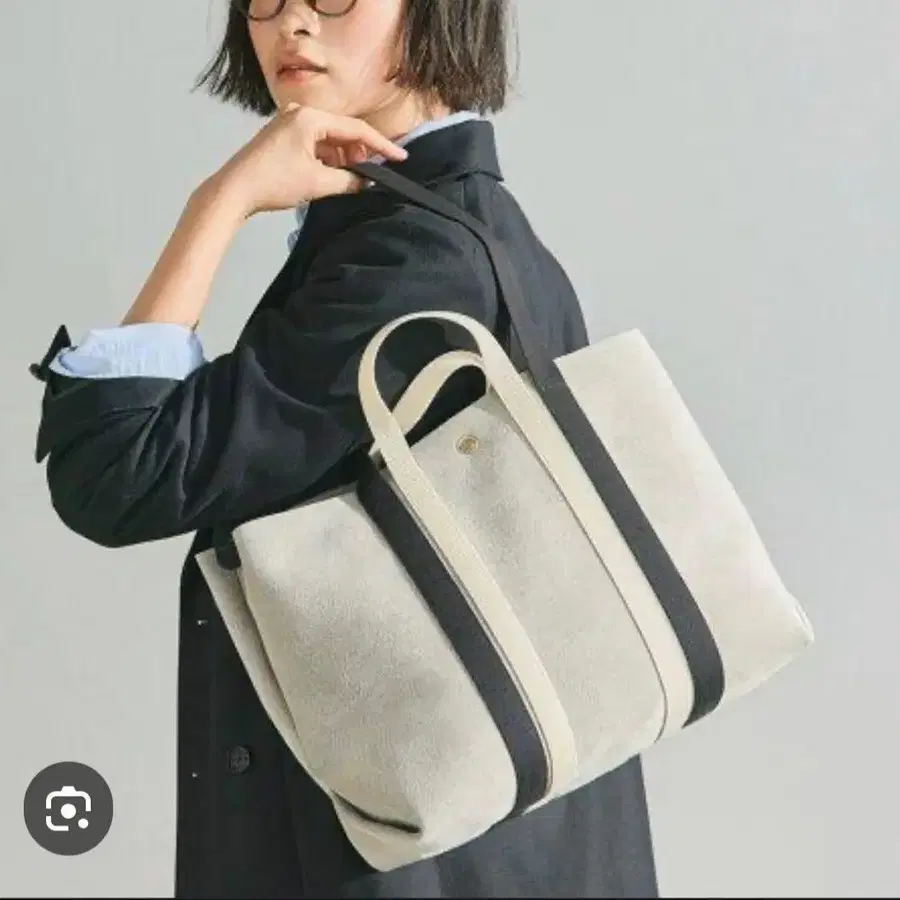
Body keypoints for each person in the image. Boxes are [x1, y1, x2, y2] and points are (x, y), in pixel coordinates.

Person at [29, 1, 659, 897]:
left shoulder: (415, 264)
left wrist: (218, 203)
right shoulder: (468, 231)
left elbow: (122, 471)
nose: (290, 21)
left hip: (403, 861)